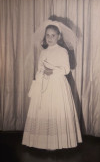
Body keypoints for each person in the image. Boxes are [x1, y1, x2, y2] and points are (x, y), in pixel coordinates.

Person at [22, 21, 82, 150]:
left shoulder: (62, 51)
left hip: (58, 86)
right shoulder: (43, 52)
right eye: (47, 35)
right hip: (44, 86)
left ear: (59, 37)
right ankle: (42, 141)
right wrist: (41, 75)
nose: (50, 38)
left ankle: (58, 141)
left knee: (56, 110)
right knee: (44, 111)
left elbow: (66, 69)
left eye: (53, 35)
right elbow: (39, 69)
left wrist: (52, 71)